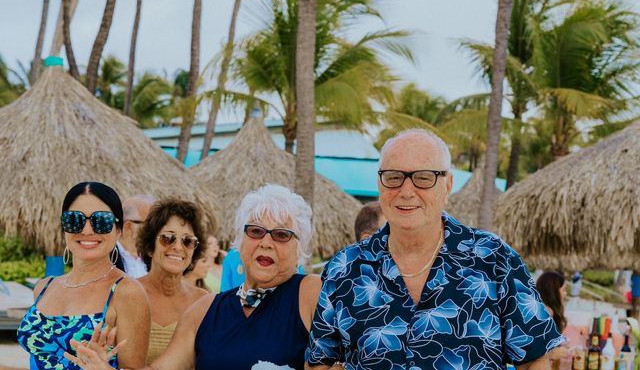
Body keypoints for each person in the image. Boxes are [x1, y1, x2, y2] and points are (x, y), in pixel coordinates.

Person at [306, 129, 564, 369]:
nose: (406, 191)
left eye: (423, 178)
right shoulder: (345, 267)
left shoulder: (495, 259)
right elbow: (319, 361)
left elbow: (533, 359)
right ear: (380, 184)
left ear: (447, 185)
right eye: (394, 177)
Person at [67, 184, 323, 370]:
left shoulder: (309, 293)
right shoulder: (204, 310)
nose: (266, 242)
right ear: (240, 241)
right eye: (255, 231)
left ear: (299, 247)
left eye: (281, 235)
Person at [16, 181, 150, 369]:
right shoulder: (44, 287)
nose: (87, 231)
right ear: (64, 228)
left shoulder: (127, 292)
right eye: (74, 220)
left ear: (119, 230)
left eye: (101, 221)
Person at [136, 198, 208, 364]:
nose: (178, 247)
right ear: (150, 247)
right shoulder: (128, 293)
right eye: (168, 238)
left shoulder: (203, 302)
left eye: (188, 241)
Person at [116, 195, 154, 277]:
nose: (156, 229)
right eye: (151, 224)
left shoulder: (154, 259)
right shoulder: (108, 258)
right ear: (129, 227)